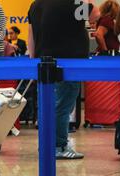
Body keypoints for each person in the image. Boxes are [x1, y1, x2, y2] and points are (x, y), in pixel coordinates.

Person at [28, 0, 99, 160]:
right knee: (62, 107)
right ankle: (58, 146)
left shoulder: (36, 5)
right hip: (69, 64)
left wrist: (33, 62)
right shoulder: (73, 2)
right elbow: (95, 14)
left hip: (43, 64)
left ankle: (46, 145)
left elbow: (31, 34)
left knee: (46, 107)